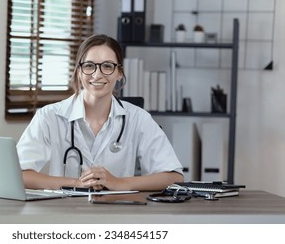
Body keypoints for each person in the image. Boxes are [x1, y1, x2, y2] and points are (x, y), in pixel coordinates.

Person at [16, 34, 183, 191]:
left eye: (107, 66)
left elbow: (174, 177)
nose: (97, 74)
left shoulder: (138, 119)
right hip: (65, 214)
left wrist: (119, 183)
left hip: (117, 214)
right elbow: (18, 174)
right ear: (79, 71)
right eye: (89, 66)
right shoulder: (49, 117)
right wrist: (75, 183)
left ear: (119, 73)